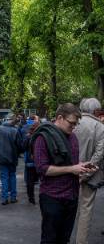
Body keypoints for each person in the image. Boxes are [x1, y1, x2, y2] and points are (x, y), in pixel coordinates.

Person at [32, 103, 96, 244]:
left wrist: (81, 166)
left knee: (64, 239)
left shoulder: (72, 137)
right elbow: (42, 169)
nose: (74, 127)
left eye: (76, 124)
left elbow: (71, 163)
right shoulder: (43, 137)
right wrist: (72, 169)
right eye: (71, 123)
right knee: (50, 240)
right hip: (52, 198)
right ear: (60, 118)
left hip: (71, 197)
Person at [74, 98, 104, 244]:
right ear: (96, 111)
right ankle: (80, 242)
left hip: (68, 172)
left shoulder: (73, 123)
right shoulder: (100, 127)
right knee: (85, 209)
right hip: (90, 176)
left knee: (67, 206)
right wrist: (85, 174)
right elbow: (99, 154)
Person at [0, 113, 23, 205]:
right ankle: (13, 197)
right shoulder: (15, 130)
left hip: (1, 157)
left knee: (4, 177)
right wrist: (18, 153)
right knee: (12, 176)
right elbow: (20, 145)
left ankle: (4, 198)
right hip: (12, 157)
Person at [21, 115, 40, 204]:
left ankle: (31, 197)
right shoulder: (41, 136)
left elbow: (23, 147)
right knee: (42, 180)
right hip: (41, 161)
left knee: (30, 181)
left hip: (30, 161)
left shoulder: (28, 136)